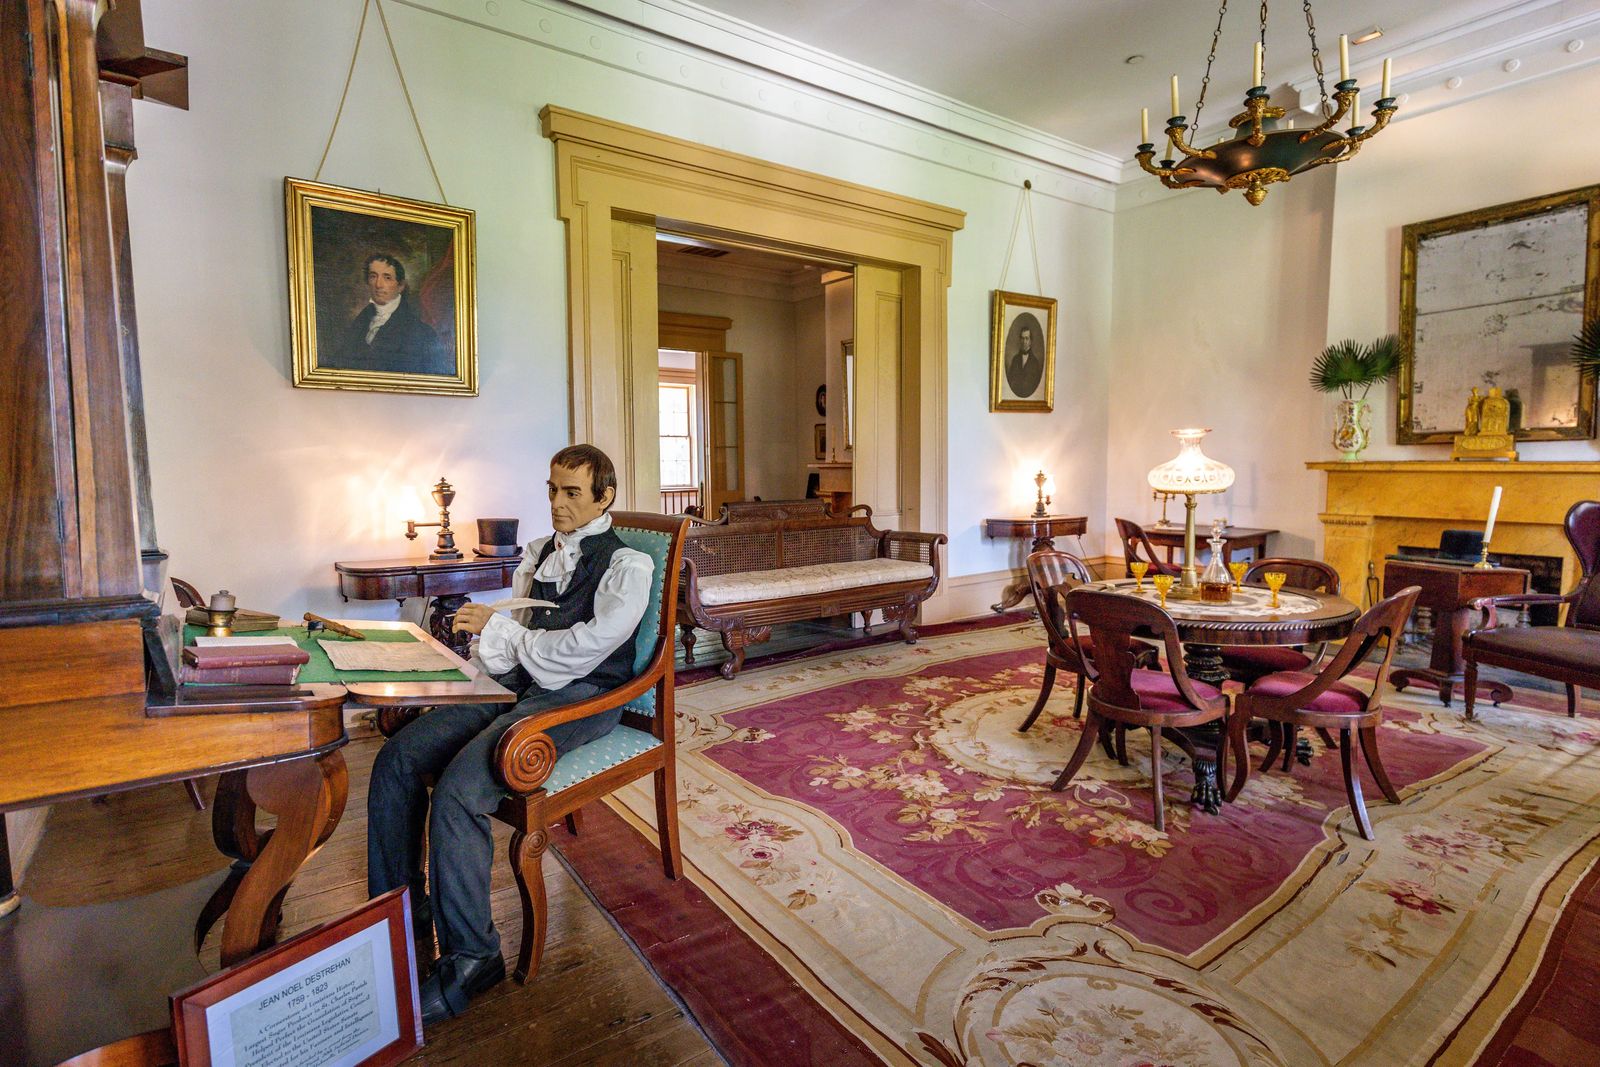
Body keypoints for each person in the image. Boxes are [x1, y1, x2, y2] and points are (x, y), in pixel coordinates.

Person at [367, 444, 653, 1024]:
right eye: (552, 489)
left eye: (572, 492)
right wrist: (488, 640)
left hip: (584, 697)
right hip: (519, 685)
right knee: (397, 757)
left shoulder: (629, 566)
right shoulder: (538, 554)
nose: (557, 502)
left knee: (459, 791)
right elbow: (516, 636)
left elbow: (585, 651)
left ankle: (475, 956)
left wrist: (505, 632)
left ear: (606, 496)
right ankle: (400, 908)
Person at [325, 252, 453, 376]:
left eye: (387, 278)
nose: (378, 285)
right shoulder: (358, 325)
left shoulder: (422, 333)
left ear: (400, 286)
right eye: (373, 276)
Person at [1005, 321, 1044, 398]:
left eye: (1027, 338)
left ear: (1030, 341)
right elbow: (1010, 381)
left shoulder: (1035, 362)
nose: (1024, 342)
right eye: (1022, 338)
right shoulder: (1015, 360)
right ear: (1020, 340)